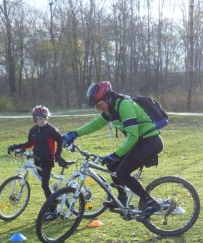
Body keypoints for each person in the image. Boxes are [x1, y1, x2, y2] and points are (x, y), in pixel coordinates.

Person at [61, 81, 164, 218]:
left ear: (108, 99)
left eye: (99, 105)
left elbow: (132, 137)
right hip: (141, 142)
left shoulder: (124, 105)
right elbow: (95, 124)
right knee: (112, 164)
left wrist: (115, 154)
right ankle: (121, 198)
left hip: (150, 142)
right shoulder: (111, 109)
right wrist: (75, 133)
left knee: (122, 173)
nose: (98, 109)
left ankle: (150, 202)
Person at [7, 105, 66, 210]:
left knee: (44, 185)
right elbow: (30, 144)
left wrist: (58, 155)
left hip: (47, 160)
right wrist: (16, 146)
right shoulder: (33, 131)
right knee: (44, 182)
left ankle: (52, 208)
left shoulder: (51, 130)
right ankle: (53, 197)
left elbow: (60, 140)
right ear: (35, 119)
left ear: (46, 118)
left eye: (43, 118)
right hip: (37, 160)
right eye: (39, 119)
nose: (41, 121)